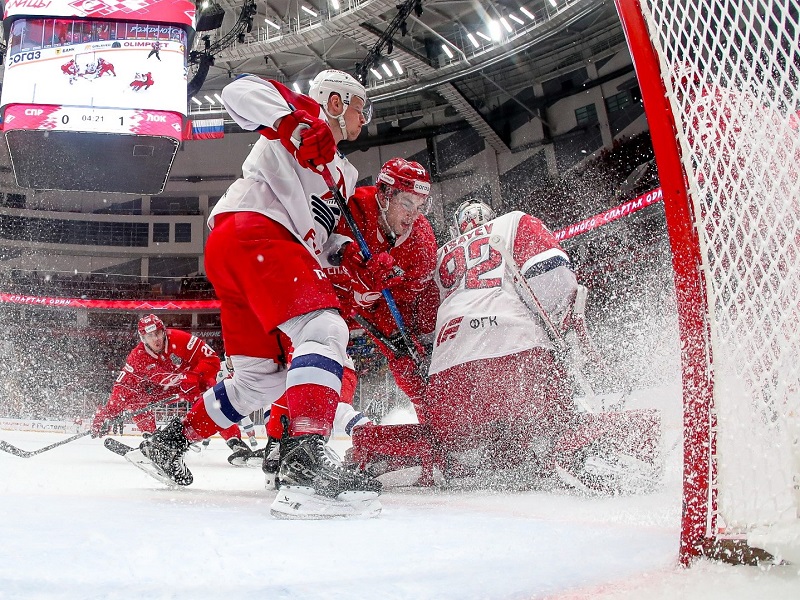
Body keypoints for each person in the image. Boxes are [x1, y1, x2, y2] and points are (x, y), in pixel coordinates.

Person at [135, 70, 382, 518]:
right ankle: (305, 463)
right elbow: (238, 91)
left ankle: (167, 443)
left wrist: (343, 252)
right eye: (361, 106)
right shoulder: (305, 115)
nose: (365, 118)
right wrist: (292, 123)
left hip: (237, 247)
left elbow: (318, 237)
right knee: (324, 327)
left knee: (257, 382)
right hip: (258, 232)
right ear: (336, 100)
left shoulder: (343, 173)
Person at [351, 203, 662, 492]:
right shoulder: (513, 222)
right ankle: (578, 450)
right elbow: (552, 278)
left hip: (450, 375)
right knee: (555, 418)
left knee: (467, 438)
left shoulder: (438, 257)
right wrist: (558, 327)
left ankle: (383, 451)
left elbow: (425, 328)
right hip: (517, 355)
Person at [322, 158, 438, 438]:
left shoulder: (421, 245)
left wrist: (396, 329)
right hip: (330, 298)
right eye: (407, 203)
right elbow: (311, 246)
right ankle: (288, 438)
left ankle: (436, 428)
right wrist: (347, 256)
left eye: (421, 207)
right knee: (313, 359)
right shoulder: (350, 209)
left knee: (410, 363)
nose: (414, 216)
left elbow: (406, 301)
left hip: (378, 307)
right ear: (385, 195)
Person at [91, 315, 254, 465]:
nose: (156, 339)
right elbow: (123, 388)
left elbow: (212, 360)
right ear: (143, 339)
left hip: (192, 381)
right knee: (136, 398)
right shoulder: (137, 357)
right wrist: (106, 414)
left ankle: (235, 443)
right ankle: (153, 439)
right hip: (161, 389)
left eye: (158, 333)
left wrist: (194, 377)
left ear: (163, 331)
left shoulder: (180, 339)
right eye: (150, 336)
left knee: (211, 395)